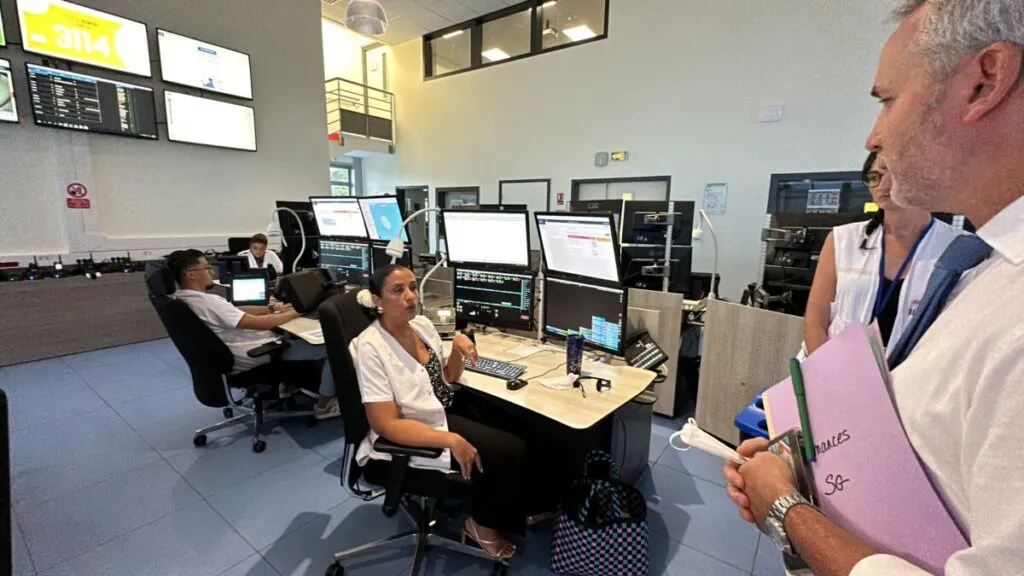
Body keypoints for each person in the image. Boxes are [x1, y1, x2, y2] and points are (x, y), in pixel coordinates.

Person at [724, 1, 1024, 574]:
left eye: (887, 100)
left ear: (984, 81)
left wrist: (785, 507)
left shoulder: (989, 284)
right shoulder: (986, 272)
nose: (874, 134)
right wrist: (801, 477)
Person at [351, 264, 544, 560]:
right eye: (398, 290)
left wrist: (457, 349)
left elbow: (449, 377)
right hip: (418, 426)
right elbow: (385, 424)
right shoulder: (369, 347)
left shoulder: (421, 325)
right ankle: (480, 525)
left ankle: (523, 504)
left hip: (446, 404)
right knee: (509, 450)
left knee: (525, 426)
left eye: (412, 287)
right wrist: (451, 440)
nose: (410, 296)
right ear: (377, 300)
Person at [802, 151, 960, 355]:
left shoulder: (959, 247)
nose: (882, 184)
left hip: (914, 370)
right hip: (838, 364)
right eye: (874, 177)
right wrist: (828, 369)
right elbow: (815, 319)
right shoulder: (843, 239)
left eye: (893, 173)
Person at [166, 249, 339, 419]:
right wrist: (299, 310)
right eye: (206, 267)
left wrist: (272, 308)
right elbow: (261, 324)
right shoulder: (206, 302)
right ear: (191, 274)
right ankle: (325, 405)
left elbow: (234, 310)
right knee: (333, 348)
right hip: (255, 355)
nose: (212, 271)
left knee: (289, 335)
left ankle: (287, 386)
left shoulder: (182, 299)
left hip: (230, 359)